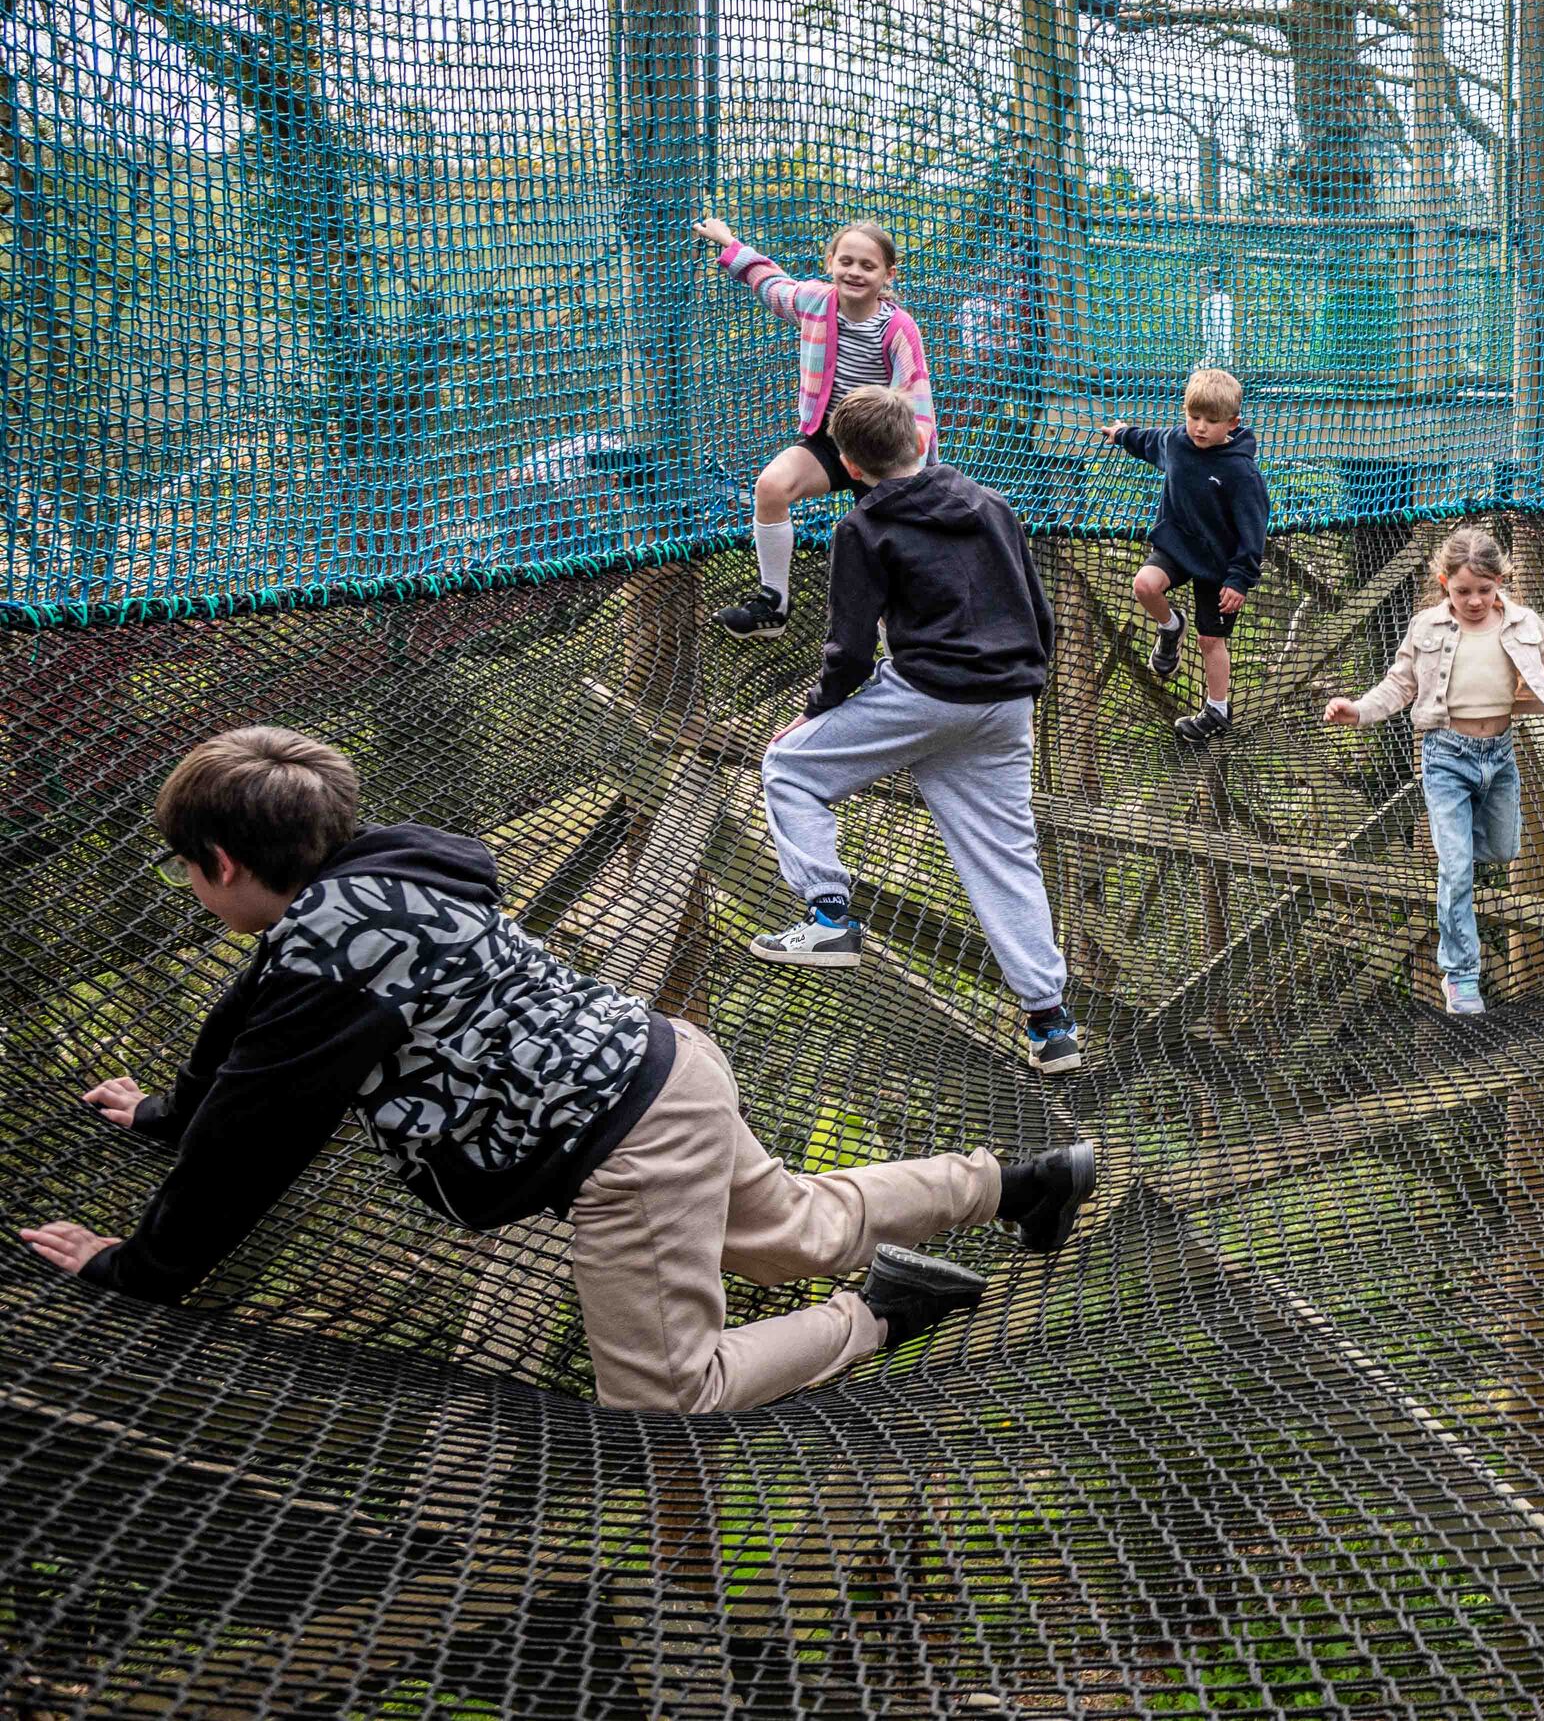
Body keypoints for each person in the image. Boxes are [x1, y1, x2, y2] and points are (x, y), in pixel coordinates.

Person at [16, 727, 1096, 1414]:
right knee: (791, 1233)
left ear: (222, 865)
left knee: (664, 1393)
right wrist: (166, 1112)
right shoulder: (393, 873)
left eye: (192, 879)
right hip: (668, 1065)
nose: (197, 898)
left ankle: (884, 1314)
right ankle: (1022, 1182)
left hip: (621, 1148)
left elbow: (247, 1145)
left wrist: (137, 1270)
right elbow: (243, 1040)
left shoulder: (323, 956)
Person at [751, 387, 1085, 1077]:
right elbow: (1039, 608)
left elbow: (848, 649)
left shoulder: (864, 527)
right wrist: (1027, 680)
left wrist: (817, 712)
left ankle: (828, 917)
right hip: (1007, 699)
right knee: (1004, 855)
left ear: (847, 463)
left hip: (931, 691)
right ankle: (1050, 1023)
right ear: (918, 439)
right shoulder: (992, 503)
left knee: (789, 767)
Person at [1322, 528, 1544, 1016]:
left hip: (1499, 756)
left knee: (1504, 849)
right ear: (1445, 584)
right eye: (1463, 591)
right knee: (1457, 867)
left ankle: (1456, 849)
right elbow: (1398, 687)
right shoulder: (1426, 628)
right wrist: (1357, 710)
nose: (1475, 600)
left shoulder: (1524, 623)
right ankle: (1460, 977)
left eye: (1485, 590)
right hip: (1445, 756)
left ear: (1500, 582)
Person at [693, 213, 936, 640]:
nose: (854, 272)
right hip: (831, 441)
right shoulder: (816, 303)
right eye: (846, 261)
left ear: (887, 274)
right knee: (771, 486)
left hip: (883, 453)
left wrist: (917, 475)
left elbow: (916, 403)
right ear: (830, 263)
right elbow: (771, 285)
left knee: (885, 562)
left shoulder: (897, 328)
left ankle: (905, 659)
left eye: (867, 266)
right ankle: (773, 604)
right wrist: (729, 244)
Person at [1104, 367, 1270, 747]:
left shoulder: (1240, 471)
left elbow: (1254, 527)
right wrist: (1121, 434)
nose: (1199, 428)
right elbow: (1148, 441)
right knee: (1144, 585)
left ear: (1232, 423)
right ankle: (1168, 625)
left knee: (1211, 640)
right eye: (1193, 417)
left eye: (1211, 422)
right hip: (1178, 546)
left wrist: (1240, 578)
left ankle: (1217, 709)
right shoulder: (1178, 442)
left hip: (1219, 564)